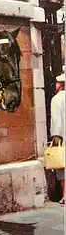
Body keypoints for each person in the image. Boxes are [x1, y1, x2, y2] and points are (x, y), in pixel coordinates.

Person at [50, 72, 65, 205]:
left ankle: (64, 194)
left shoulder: (56, 99)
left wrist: (56, 137)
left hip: (62, 138)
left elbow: (56, 120)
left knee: (62, 167)